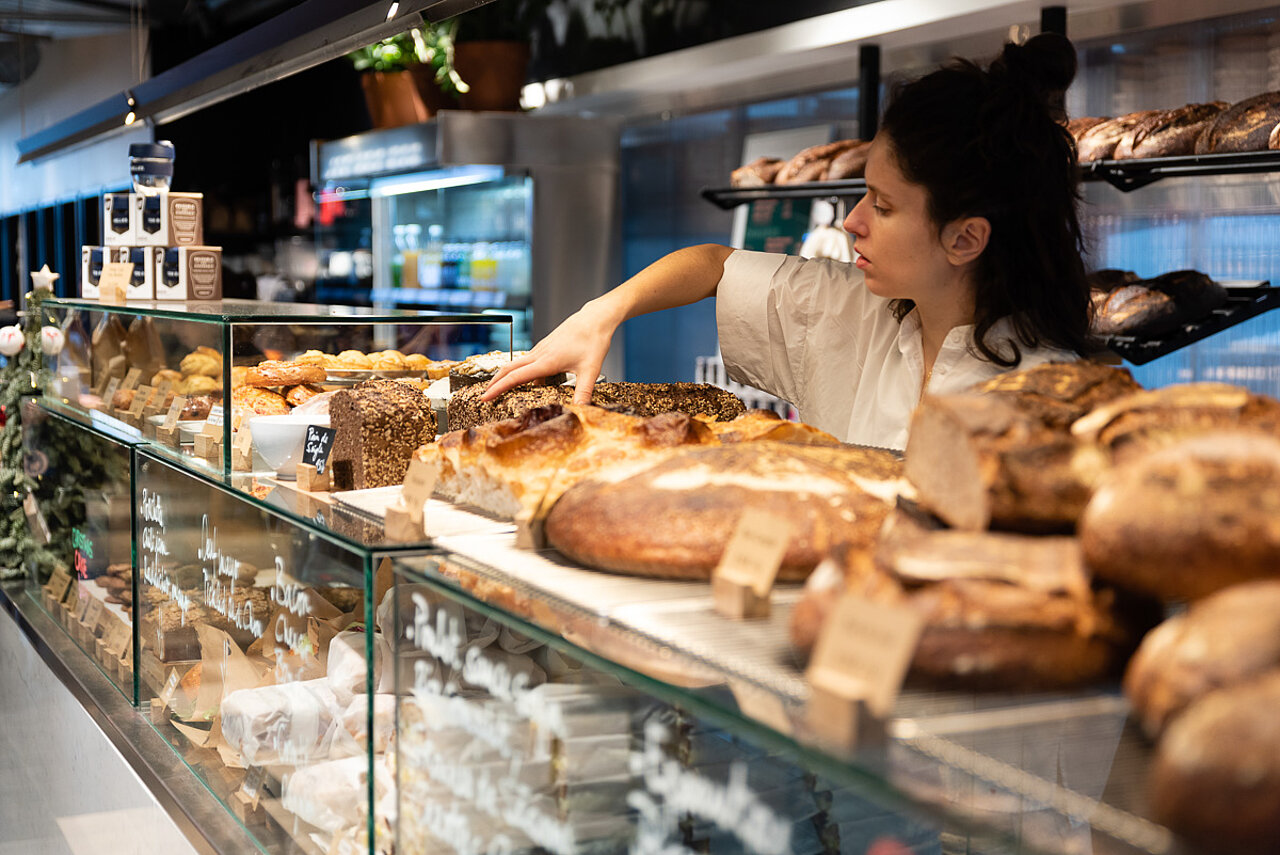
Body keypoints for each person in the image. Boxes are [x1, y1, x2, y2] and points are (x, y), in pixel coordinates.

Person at [483, 33, 1092, 450]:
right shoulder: (858, 310)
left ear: (966, 239)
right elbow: (714, 266)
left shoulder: (1048, 397)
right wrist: (601, 315)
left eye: (882, 206)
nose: (853, 221)